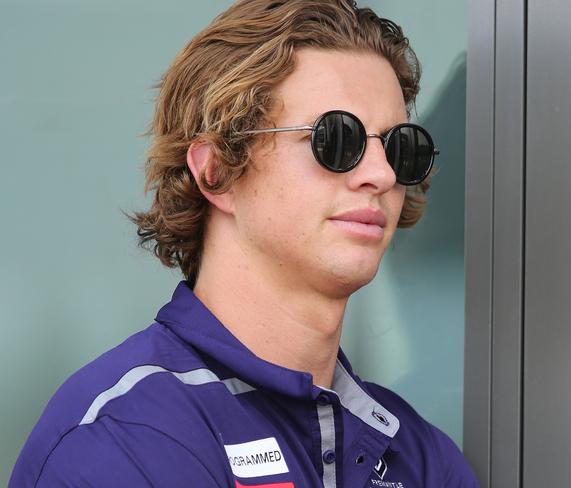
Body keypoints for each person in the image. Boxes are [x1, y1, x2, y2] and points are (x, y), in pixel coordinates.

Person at [10, 1, 479, 486]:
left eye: (401, 147)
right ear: (216, 172)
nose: (381, 175)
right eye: (337, 139)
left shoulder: (418, 454)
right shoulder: (124, 437)